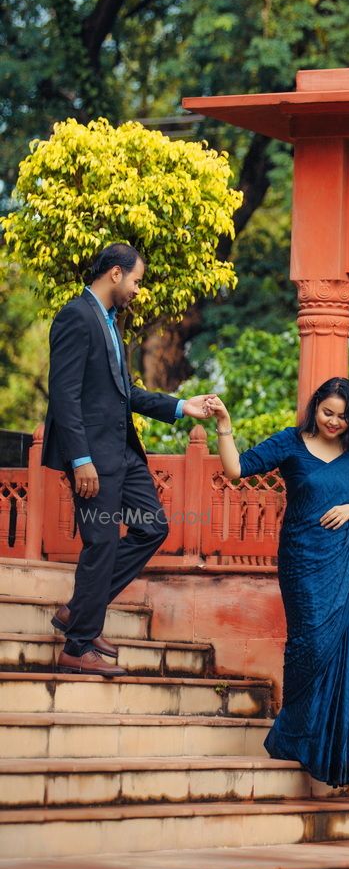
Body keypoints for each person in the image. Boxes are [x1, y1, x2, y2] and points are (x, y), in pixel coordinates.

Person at [205, 378, 349, 789]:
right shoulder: (290, 443)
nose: (335, 421)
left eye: (343, 416)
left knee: (339, 651)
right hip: (301, 563)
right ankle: (296, 739)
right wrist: (224, 424)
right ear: (315, 408)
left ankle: (330, 749)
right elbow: (236, 469)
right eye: (328, 412)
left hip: (343, 567)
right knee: (307, 646)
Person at [42, 242, 212, 677]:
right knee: (100, 543)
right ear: (115, 273)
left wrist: (180, 407)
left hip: (124, 454)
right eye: (136, 280)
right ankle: (78, 645)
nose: (139, 289)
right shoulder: (75, 317)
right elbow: (65, 395)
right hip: (93, 458)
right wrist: (80, 459)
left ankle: (80, 610)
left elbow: (127, 393)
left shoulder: (111, 323)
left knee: (153, 527)